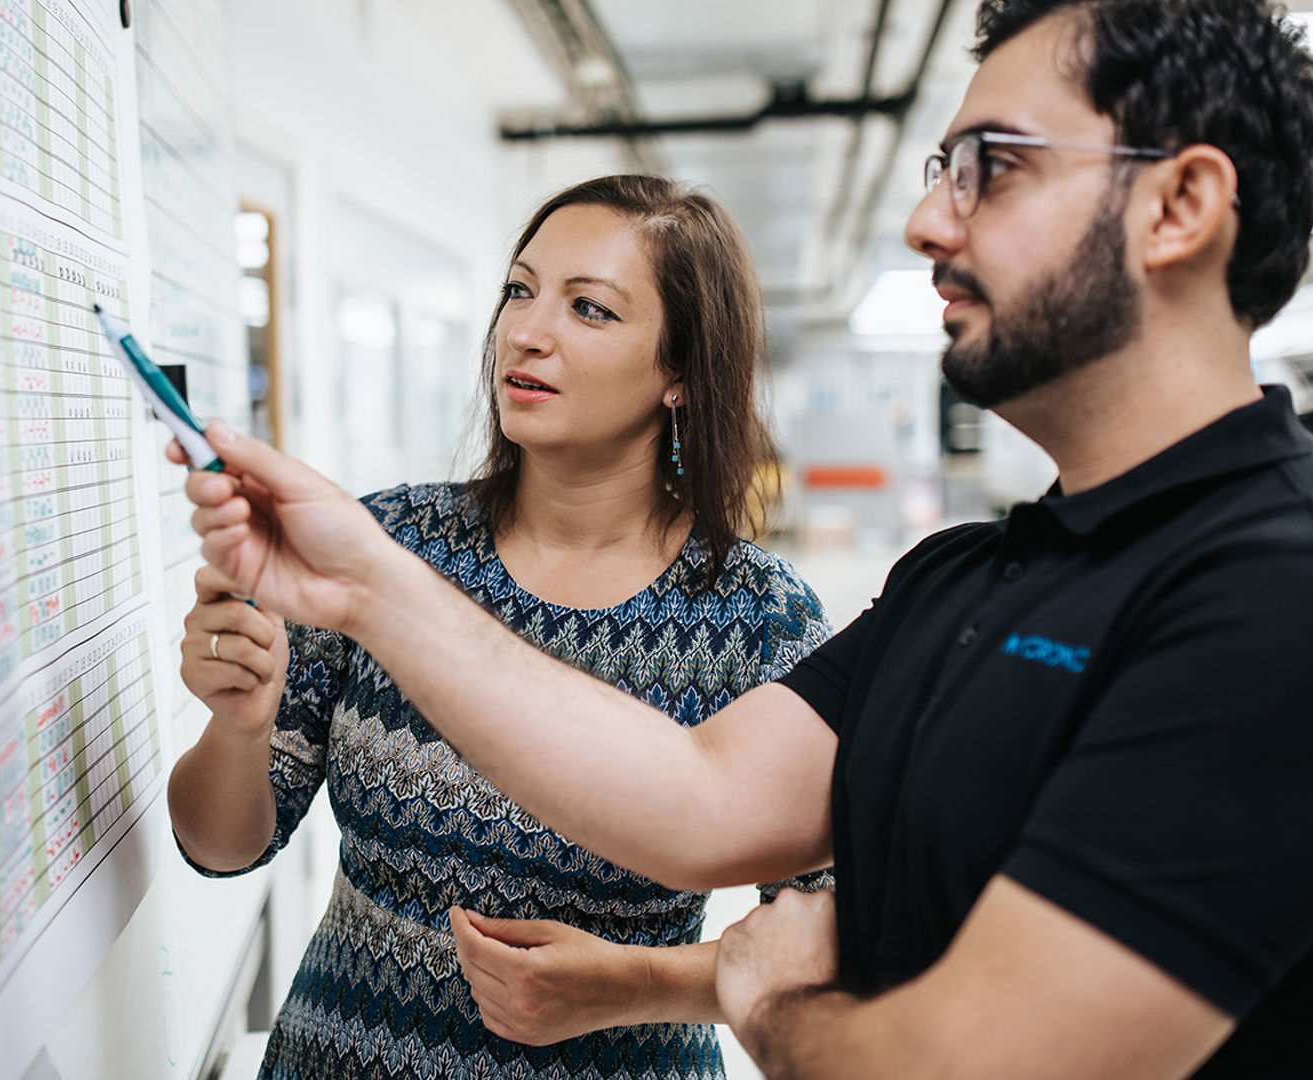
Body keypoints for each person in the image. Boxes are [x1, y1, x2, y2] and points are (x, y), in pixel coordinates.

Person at [178, 2, 1313, 1078]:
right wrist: (367, 582)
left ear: (1182, 204)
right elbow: (696, 799)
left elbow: (956, 1069)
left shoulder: (1310, 605)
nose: (929, 223)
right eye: (940, 173)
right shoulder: (967, 579)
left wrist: (756, 993)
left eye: (995, 167)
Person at [165, 174, 834, 1080]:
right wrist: (240, 726)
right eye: (520, 290)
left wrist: (633, 985)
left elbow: (833, 938)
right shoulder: (382, 547)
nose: (527, 330)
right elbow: (220, 845)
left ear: (679, 372)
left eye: (590, 309)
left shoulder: (756, 620)